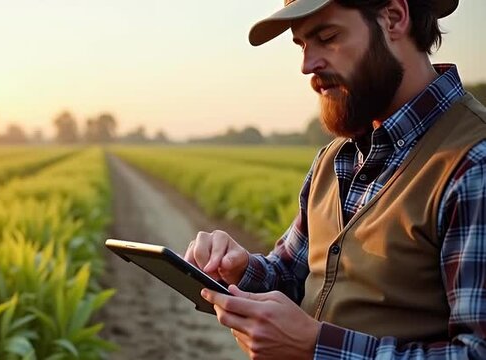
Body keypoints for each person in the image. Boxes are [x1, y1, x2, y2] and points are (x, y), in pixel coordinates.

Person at [182, 0, 486, 358]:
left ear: (393, 18)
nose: (307, 65)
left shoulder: (473, 162)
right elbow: (294, 273)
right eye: (302, 46)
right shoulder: (334, 158)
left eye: (327, 37)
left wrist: (315, 346)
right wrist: (241, 267)